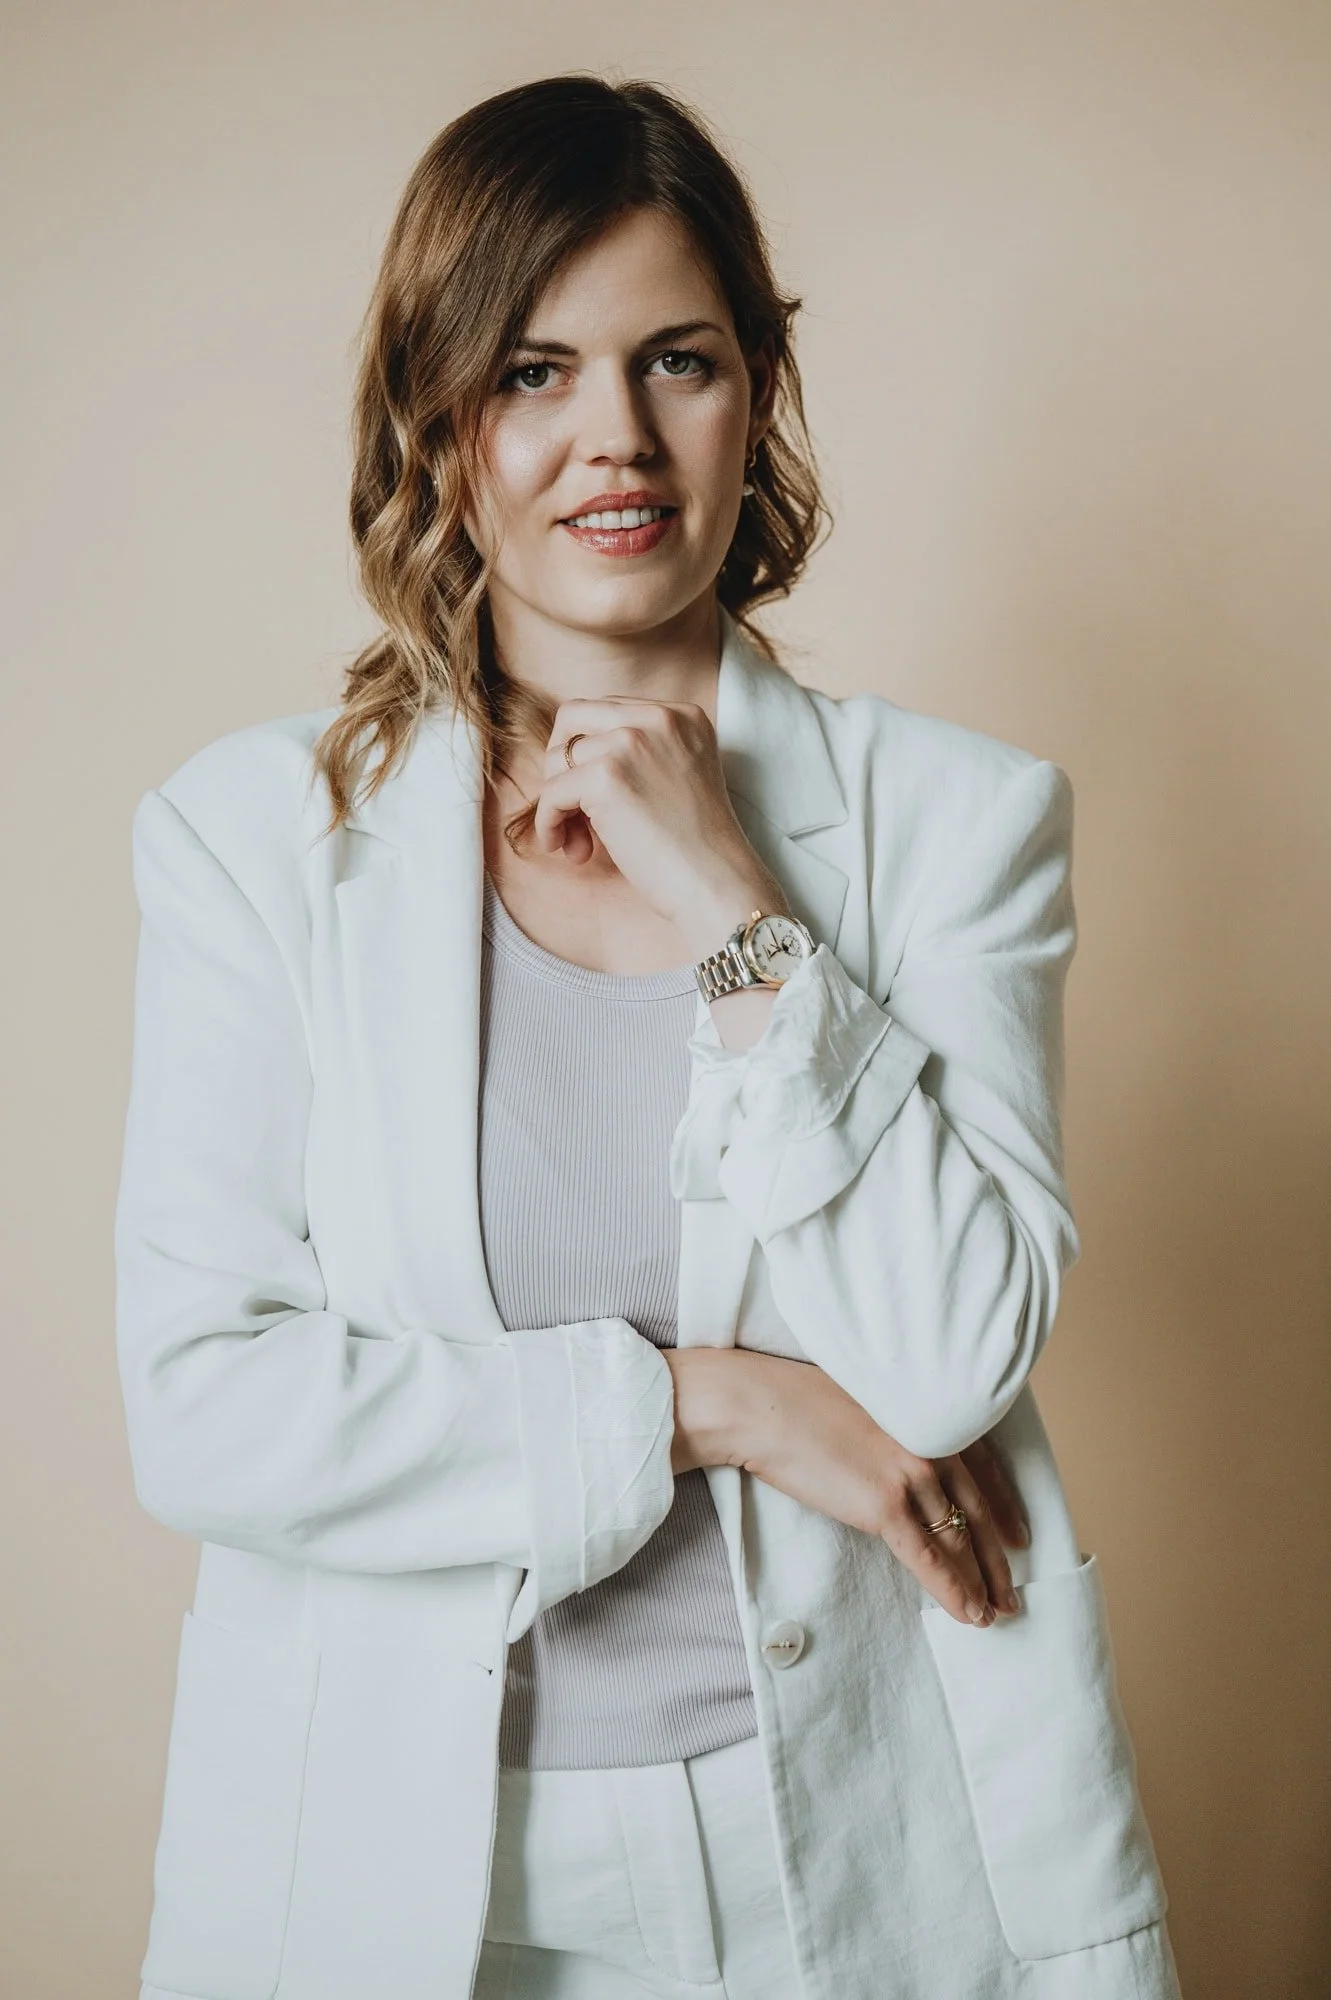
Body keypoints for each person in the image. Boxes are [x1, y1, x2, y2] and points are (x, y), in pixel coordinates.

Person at [115, 73, 1182, 2000]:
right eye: (533, 370)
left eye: (674, 359)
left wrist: (736, 913)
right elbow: (204, 1404)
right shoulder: (251, 843)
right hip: (406, 1881)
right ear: (437, 418)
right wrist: (712, 1401)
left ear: (755, 389)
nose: (611, 436)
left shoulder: (959, 822)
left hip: (867, 1865)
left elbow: (946, 1361)